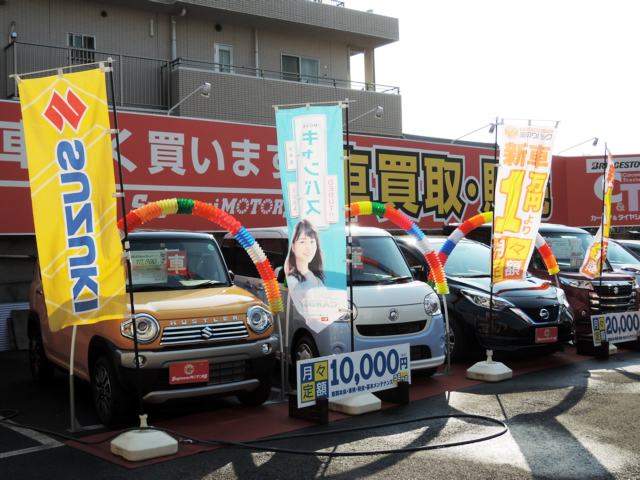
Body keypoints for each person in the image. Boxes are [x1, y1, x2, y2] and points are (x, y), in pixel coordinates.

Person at [285, 219, 326, 291]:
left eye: (312, 241)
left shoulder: (316, 276)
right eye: (303, 242)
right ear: (293, 247)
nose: (309, 247)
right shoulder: (293, 279)